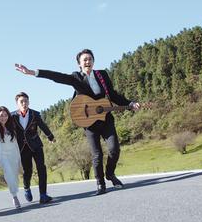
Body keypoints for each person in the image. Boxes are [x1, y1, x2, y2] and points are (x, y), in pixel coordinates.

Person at [15, 48, 140, 195]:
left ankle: (110, 174)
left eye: (90, 59)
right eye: (84, 60)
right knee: (97, 154)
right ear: (79, 64)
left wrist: (130, 103)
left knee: (114, 149)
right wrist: (32, 72)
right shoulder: (76, 78)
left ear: (93, 61)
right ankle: (100, 183)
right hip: (89, 122)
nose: (88, 62)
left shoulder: (102, 75)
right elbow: (57, 76)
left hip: (105, 118)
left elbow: (113, 95)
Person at [11, 92, 55, 204]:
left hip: (36, 144)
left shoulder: (34, 114)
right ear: (17, 104)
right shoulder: (12, 116)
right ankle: (26, 188)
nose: (24, 103)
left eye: (26, 101)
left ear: (29, 102)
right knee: (28, 171)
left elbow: (42, 125)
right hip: (23, 148)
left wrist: (50, 136)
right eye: (21, 101)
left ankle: (43, 195)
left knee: (41, 168)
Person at [0, 106, 23, 209]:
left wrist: (19, 159)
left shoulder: (11, 126)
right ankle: (14, 196)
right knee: (9, 173)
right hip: (2, 155)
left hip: (13, 154)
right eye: (1, 115)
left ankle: (14, 192)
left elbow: (15, 143)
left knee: (14, 175)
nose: (3, 117)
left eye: (5, 115)